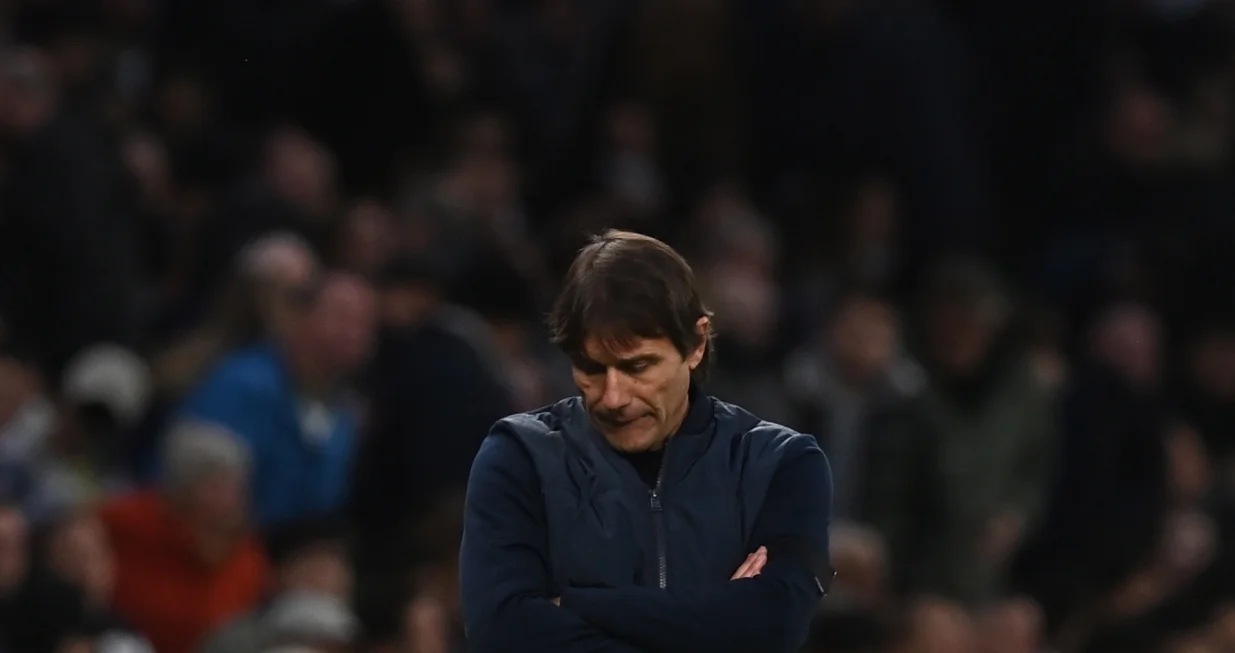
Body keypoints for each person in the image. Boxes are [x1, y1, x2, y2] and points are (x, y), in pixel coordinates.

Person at [460, 230, 834, 653]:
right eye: (591, 368)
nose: (613, 397)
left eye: (638, 366)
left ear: (695, 345)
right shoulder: (518, 456)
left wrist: (575, 604)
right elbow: (504, 632)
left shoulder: (781, 463)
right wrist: (717, 623)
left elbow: (775, 623)